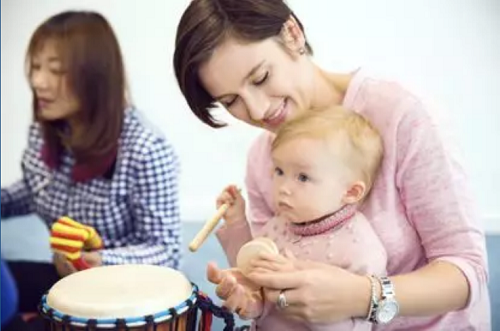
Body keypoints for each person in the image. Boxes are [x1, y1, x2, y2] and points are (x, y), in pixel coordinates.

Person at [173, 0, 490, 330]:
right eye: (231, 101)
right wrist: (252, 291)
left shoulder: (402, 116)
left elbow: (466, 270)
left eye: (261, 77)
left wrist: (361, 296)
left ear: (293, 34)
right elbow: (269, 281)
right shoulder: (263, 159)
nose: (256, 110)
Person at [1, 10, 181, 313]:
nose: (38, 82)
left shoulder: (146, 148)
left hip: (127, 294)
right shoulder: (44, 132)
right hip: (68, 281)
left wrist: (101, 261)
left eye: (56, 70)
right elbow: (35, 191)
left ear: (94, 76)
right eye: (35, 67)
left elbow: (167, 250)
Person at [215, 108, 388, 330]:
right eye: (279, 171)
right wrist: (236, 222)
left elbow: (356, 322)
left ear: (351, 192)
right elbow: (251, 269)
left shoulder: (360, 248)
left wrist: (291, 284)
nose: (283, 188)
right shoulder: (280, 224)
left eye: (303, 177)